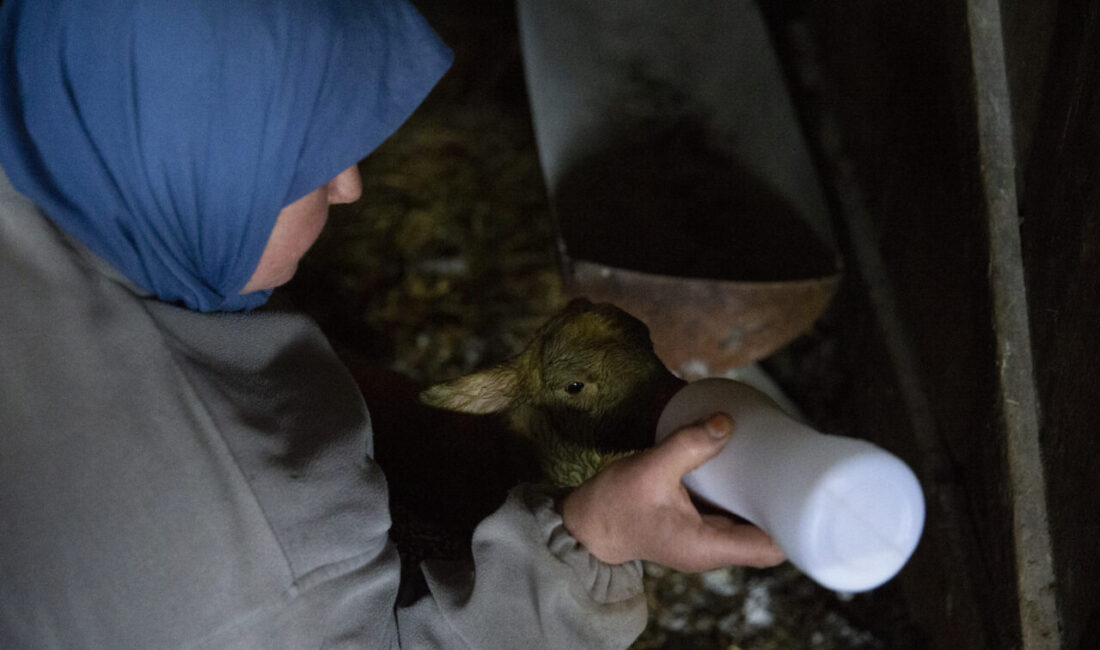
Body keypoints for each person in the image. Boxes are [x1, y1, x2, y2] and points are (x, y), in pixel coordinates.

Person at [0, 0, 784, 647]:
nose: (350, 188)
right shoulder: (269, 576)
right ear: (188, 171)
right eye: (300, 166)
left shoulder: (61, 100)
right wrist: (595, 542)